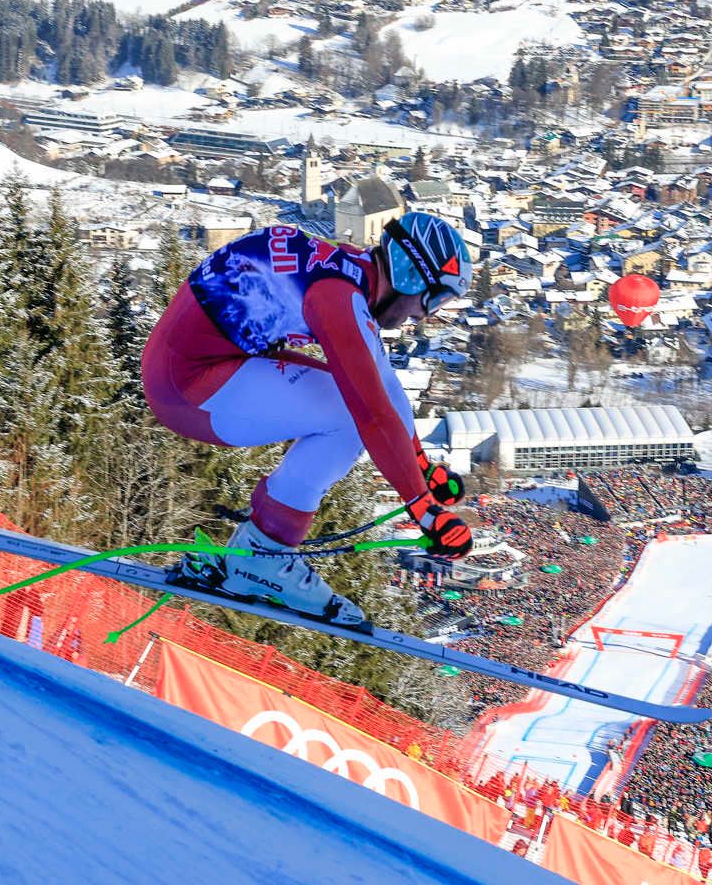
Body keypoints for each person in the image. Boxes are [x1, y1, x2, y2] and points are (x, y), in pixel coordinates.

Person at [141, 213, 474, 627]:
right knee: (349, 417)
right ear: (409, 274)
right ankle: (265, 556)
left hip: (196, 368)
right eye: (433, 299)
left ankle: (263, 549)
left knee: (349, 400)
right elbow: (372, 411)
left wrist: (420, 468)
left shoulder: (353, 273)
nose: (425, 316)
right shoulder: (337, 296)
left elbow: (383, 382)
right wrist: (423, 509)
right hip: (188, 389)